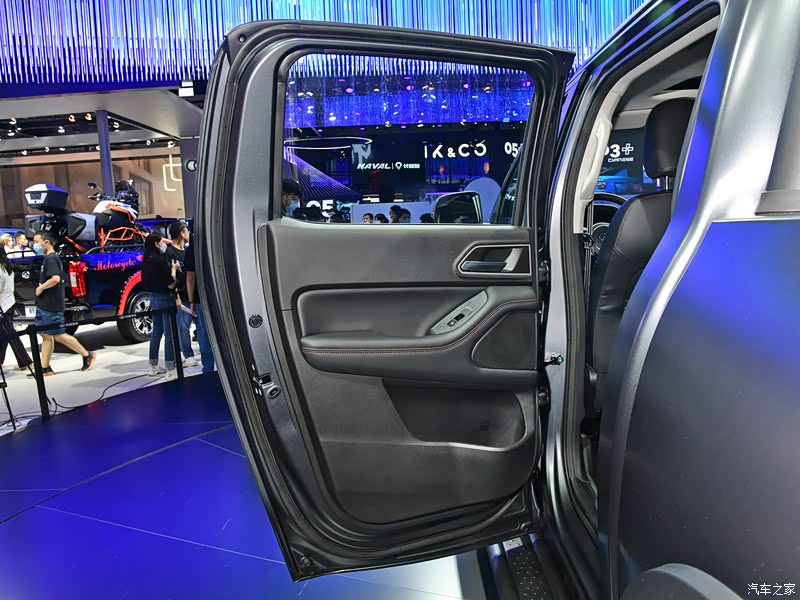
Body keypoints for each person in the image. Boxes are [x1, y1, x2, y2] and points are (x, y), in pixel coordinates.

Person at [28, 231, 96, 377]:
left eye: (37, 241)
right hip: (45, 303)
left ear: (46, 242)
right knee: (47, 336)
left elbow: (55, 279)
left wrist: (41, 288)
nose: (35, 244)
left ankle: (87, 355)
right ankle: (45, 368)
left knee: (58, 335)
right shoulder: (48, 259)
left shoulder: (52, 259)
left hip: (51, 305)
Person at [142, 233, 179, 378]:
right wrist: (174, 271)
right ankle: (171, 368)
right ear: (157, 244)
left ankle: (153, 366)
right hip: (165, 298)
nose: (164, 244)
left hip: (153, 298)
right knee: (169, 334)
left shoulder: (146, 261)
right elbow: (170, 283)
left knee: (156, 333)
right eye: (161, 241)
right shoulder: (160, 261)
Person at [164, 221, 197, 368]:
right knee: (183, 328)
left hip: (193, 295)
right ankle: (188, 355)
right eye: (186, 230)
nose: (188, 233)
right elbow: (171, 278)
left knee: (200, 326)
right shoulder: (170, 253)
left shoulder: (188, 250)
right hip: (182, 296)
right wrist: (176, 296)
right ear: (182, 233)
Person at [184, 235, 214, 373]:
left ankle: (208, 369)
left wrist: (191, 301)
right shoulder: (215, 240)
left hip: (201, 297)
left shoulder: (193, 247)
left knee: (204, 333)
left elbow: (190, 277)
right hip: (220, 295)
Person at [0, 250, 32, 373]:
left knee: (11, 335)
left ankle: (26, 361)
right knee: (4, 334)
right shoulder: (7, 267)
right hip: (10, 303)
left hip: (3, 306)